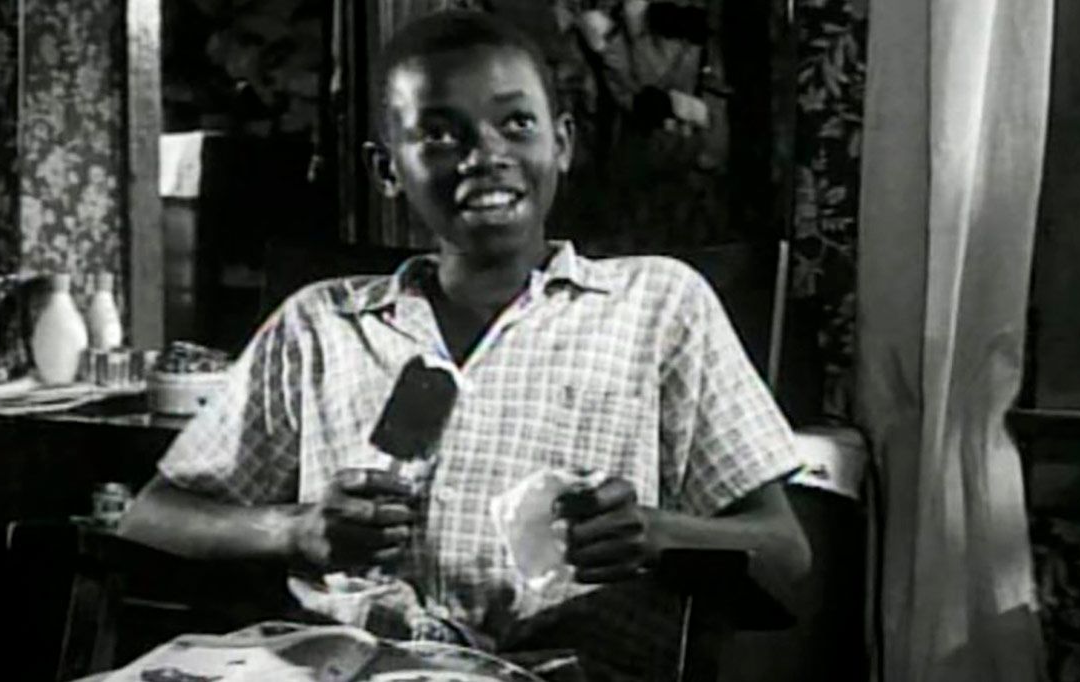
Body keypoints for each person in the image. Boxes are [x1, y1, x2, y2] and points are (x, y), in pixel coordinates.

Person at [121, 10, 810, 680]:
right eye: (440, 134)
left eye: (516, 124)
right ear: (387, 169)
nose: (485, 157)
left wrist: (656, 534)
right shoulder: (321, 324)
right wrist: (294, 530)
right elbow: (152, 516)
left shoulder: (660, 305)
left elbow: (786, 553)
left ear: (562, 143)